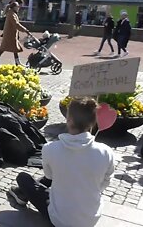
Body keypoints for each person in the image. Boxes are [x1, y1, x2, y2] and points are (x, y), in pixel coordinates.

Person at [9, 97, 114, 227]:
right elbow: (105, 182)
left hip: (60, 220)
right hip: (91, 218)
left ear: (69, 120)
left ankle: (22, 194)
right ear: (92, 123)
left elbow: (49, 177)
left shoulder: (50, 149)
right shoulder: (106, 152)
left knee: (23, 178)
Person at [0, 1, 31, 66]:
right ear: (14, 7)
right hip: (10, 35)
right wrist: (25, 30)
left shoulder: (12, 13)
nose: (18, 8)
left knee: (14, 48)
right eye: (17, 7)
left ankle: (17, 62)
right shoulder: (11, 14)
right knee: (5, 48)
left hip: (11, 34)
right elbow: (16, 24)